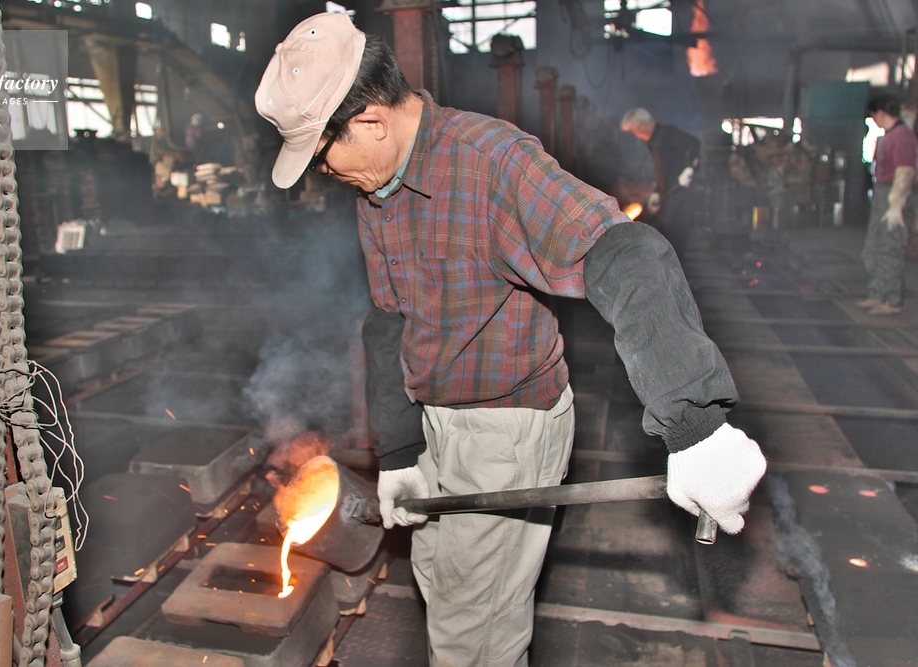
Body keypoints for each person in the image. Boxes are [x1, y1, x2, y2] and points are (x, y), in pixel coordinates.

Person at [255, 13, 766, 667]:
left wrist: (695, 425)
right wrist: (402, 448)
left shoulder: (491, 163)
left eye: (323, 154)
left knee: (474, 640)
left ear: (370, 121)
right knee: (445, 588)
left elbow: (627, 253)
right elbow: (388, 320)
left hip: (505, 428)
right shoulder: (376, 191)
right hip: (436, 422)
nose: (323, 171)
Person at [858, 93, 917, 316]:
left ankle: (892, 300)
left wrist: (896, 206)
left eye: (874, 116)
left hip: (895, 195)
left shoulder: (902, 136)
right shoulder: (890, 135)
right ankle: (878, 294)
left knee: (890, 248)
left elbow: (905, 172)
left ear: (881, 113)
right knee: (875, 247)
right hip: (883, 193)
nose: (874, 120)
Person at [620, 108, 701, 261]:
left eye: (634, 131)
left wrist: (689, 168)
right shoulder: (653, 142)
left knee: (676, 240)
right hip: (670, 195)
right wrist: (657, 192)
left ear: (643, 125)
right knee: (666, 238)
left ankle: (676, 273)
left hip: (681, 195)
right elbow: (663, 171)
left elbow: (694, 143)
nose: (636, 135)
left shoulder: (668, 133)